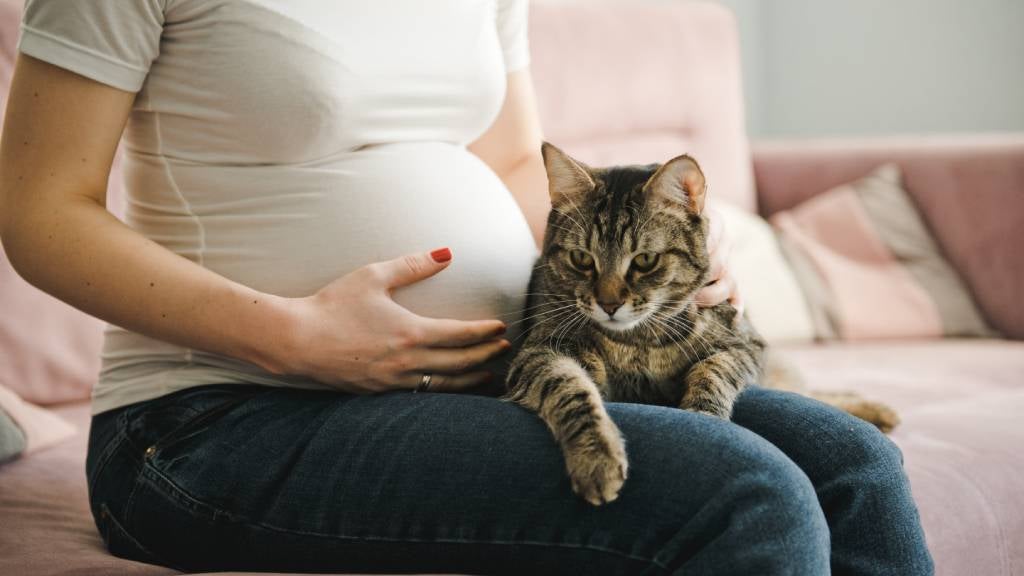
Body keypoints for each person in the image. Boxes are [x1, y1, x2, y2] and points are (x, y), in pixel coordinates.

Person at [0, 1, 933, 574]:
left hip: (489, 381)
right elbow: (40, 211)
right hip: (214, 422)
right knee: (748, 493)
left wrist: (680, 244)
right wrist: (291, 335)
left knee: (855, 466)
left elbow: (521, 166)